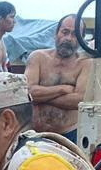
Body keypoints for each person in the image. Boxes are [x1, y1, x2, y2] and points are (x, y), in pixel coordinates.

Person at [26, 14, 93, 143]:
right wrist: (63, 89)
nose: (68, 38)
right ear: (56, 34)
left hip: (69, 136)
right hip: (36, 135)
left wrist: (41, 98)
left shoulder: (85, 64)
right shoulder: (38, 58)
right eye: (65, 32)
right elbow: (27, 93)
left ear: (81, 39)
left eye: (75, 34)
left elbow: (78, 101)